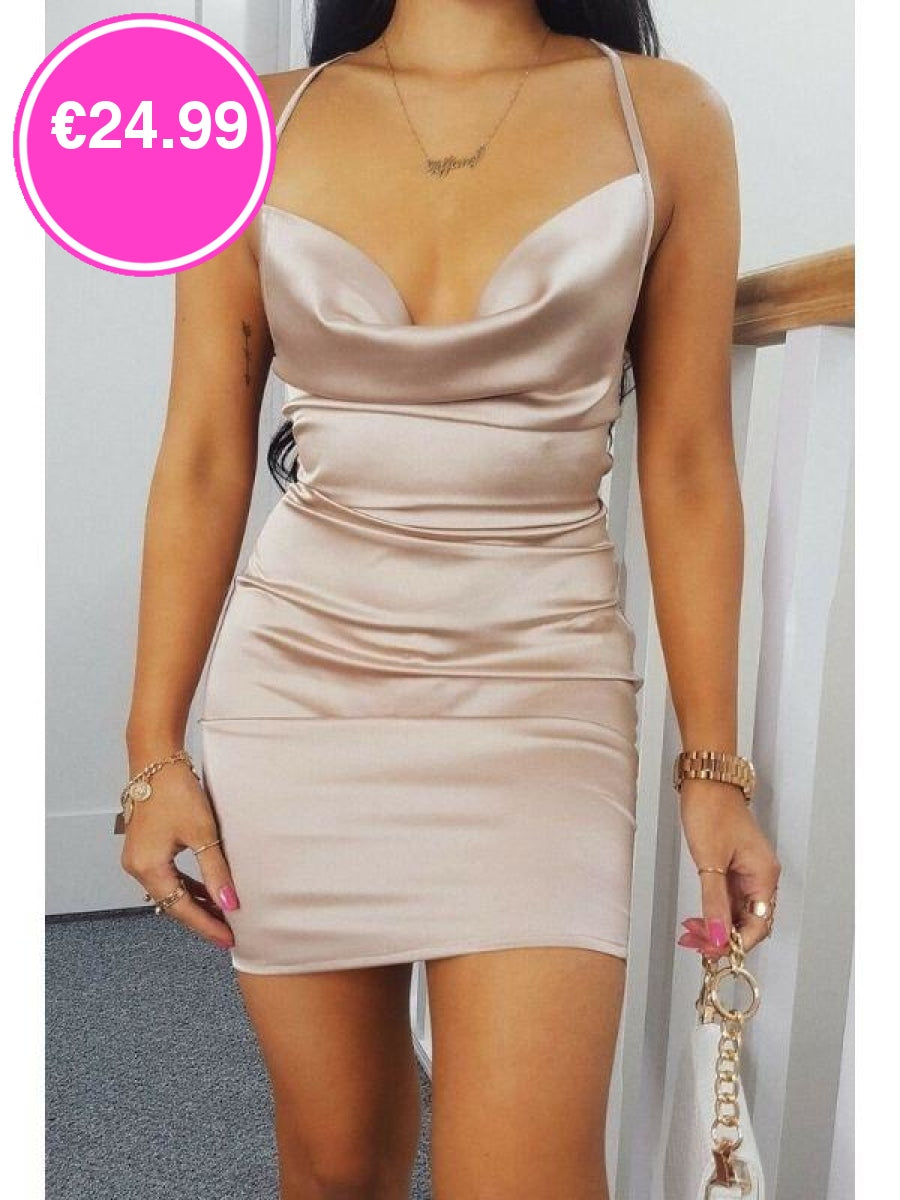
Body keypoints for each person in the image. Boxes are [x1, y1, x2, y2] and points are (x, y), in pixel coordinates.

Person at [119, 2, 781, 1197]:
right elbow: (206, 453)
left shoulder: (666, 119)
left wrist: (714, 768)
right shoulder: (251, 126)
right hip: (302, 690)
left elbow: (688, 463)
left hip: (542, 693)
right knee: (337, 1167)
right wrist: (152, 752)